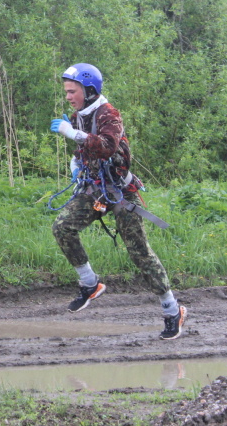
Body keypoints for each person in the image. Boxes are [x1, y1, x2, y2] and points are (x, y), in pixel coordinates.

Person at [49, 63, 187, 340]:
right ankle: (90, 284)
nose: (67, 97)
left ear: (88, 90)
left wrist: (71, 133)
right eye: (66, 92)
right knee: (62, 227)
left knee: (139, 254)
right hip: (96, 190)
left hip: (122, 194)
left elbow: (108, 145)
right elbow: (84, 149)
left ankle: (173, 310)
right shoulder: (79, 115)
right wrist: (75, 163)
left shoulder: (109, 114)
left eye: (71, 91)